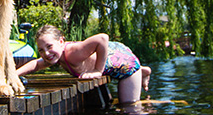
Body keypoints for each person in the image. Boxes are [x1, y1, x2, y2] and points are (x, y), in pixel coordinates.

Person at [16, 25, 151, 104]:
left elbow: (102, 38)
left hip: (126, 66)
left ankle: (139, 71)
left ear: (61, 41)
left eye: (49, 46)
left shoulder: (73, 53)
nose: (46, 53)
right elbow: (36, 65)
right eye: (41, 50)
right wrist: (13, 75)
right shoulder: (55, 56)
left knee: (128, 108)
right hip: (116, 54)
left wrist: (98, 70)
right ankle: (144, 71)